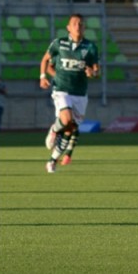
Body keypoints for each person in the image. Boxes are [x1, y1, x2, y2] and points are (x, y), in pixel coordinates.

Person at [40, 13, 99, 173]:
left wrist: (91, 73)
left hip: (80, 93)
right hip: (61, 89)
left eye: (81, 24)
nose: (78, 26)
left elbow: (96, 70)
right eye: (74, 24)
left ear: (84, 27)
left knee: (70, 128)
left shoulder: (90, 47)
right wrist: (43, 76)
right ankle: (53, 130)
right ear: (68, 28)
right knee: (65, 118)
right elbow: (45, 60)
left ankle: (52, 161)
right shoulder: (59, 44)